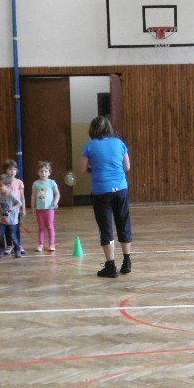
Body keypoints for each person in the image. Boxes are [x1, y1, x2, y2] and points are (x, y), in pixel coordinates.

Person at [80, 116, 133, 278]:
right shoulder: (119, 143)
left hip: (101, 191)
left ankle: (110, 266)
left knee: (106, 228)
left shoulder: (89, 145)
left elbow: (83, 169)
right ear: (109, 128)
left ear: (92, 129)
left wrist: (94, 169)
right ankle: (127, 261)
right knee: (123, 223)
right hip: (121, 189)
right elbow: (127, 167)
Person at [31, 161, 60, 252]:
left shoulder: (52, 182)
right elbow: (33, 195)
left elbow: (57, 193)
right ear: (38, 172)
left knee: (50, 226)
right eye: (41, 171)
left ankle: (52, 244)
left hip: (49, 209)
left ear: (49, 173)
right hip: (39, 209)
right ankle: (41, 244)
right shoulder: (36, 183)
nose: (43, 173)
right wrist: (32, 206)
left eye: (46, 171)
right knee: (41, 227)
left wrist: (55, 202)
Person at [0, 174, 23, 258]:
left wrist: (12, 208)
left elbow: (19, 203)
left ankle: (17, 249)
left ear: (8, 185)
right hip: (2, 220)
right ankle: (2, 248)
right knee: (0, 234)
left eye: (1, 185)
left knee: (13, 236)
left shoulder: (12, 195)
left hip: (12, 220)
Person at [2, 159, 26, 254]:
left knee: (16, 228)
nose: (12, 171)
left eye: (14, 169)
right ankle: (9, 245)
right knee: (7, 228)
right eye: (10, 169)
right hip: (6, 210)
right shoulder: (3, 182)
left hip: (16, 210)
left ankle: (17, 244)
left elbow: (22, 197)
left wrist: (23, 208)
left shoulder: (19, 182)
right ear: (5, 170)